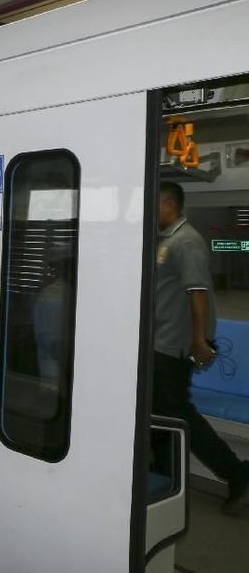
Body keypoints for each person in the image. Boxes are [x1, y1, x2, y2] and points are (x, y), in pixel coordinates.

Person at [153, 181, 249, 515]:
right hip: (159, 344)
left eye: (154, 204)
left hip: (173, 347)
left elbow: (198, 293)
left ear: (167, 204)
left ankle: (237, 472)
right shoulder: (165, 240)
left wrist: (198, 340)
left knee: (177, 413)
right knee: (159, 413)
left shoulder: (187, 241)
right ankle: (163, 477)